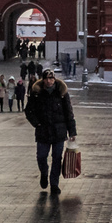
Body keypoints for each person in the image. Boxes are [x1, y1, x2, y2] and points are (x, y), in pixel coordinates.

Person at [24, 68, 77, 196]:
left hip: (59, 132)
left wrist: (72, 132)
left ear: (54, 79)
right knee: (41, 156)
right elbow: (28, 111)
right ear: (43, 80)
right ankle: (43, 173)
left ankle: (54, 184)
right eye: (47, 78)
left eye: (51, 78)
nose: (49, 81)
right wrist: (37, 123)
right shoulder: (37, 93)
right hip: (43, 131)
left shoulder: (62, 93)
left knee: (57, 158)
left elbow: (69, 113)